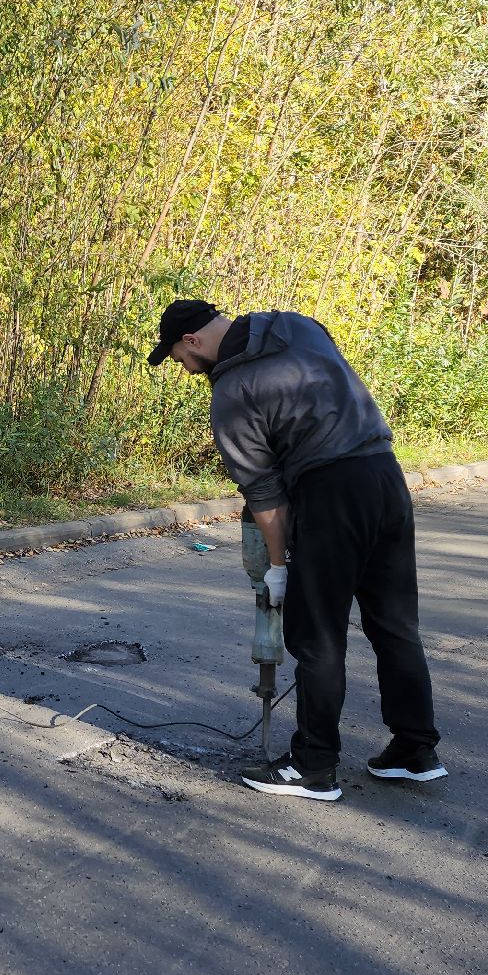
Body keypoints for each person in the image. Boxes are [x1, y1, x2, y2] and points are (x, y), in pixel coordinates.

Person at [148, 298, 444, 801]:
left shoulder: (232, 392)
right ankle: (415, 751)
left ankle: (313, 766)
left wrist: (279, 566)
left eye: (178, 357)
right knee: (395, 625)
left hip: (329, 494)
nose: (183, 367)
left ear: (192, 340)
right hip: (385, 477)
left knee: (317, 636)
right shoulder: (295, 325)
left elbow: (264, 495)